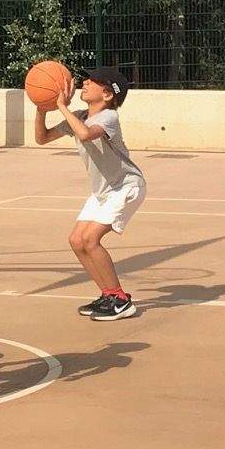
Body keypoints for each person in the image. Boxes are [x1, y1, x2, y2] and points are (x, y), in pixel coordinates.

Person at [33, 65, 146, 321]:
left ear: (107, 95)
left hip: (126, 186)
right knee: (76, 240)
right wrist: (42, 109)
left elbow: (85, 135)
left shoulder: (108, 118)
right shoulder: (80, 115)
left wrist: (61, 105)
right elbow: (42, 138)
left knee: (91, 240)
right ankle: (108, 294)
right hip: (103, 191)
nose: (85, 82)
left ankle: (120, 300)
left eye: (93, 81)